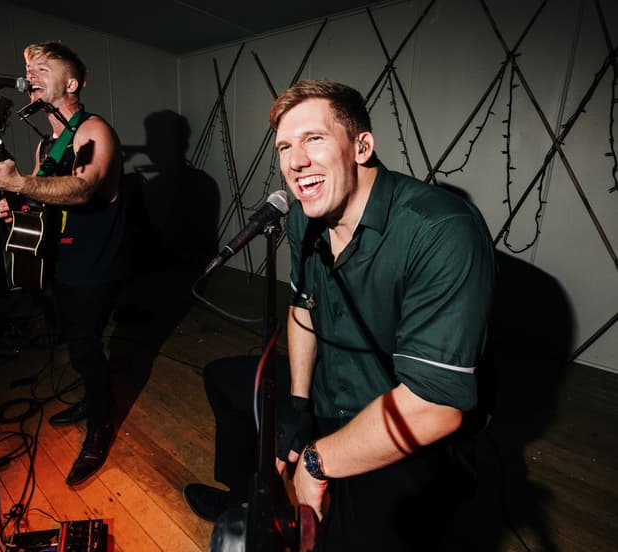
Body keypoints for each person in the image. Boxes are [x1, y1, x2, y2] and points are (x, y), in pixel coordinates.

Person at [187, 80, 495, 551]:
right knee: (225, 381)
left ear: (362, 146)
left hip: (397, 414)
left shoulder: (442, 230)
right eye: (285, 147)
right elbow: (303, 309)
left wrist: (315, 461)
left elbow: (434, 407)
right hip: (330, 388)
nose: (294, 161)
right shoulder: (301, 216)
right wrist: (297, 403)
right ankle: (248, 504)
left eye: (313, 139)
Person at [0, 41, 128, 487]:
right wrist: (19, 203)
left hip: (95, 262)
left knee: (84, 343)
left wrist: (20, 181)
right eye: (28, 68)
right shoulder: (48, 144)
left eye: (43, 67)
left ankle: (100, 426)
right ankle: (93, 397)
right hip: (60, 259)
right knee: (76, 343)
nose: (31, 74)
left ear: (73, 83)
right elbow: (49, 201)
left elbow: (82, 190)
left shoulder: (94, 130)